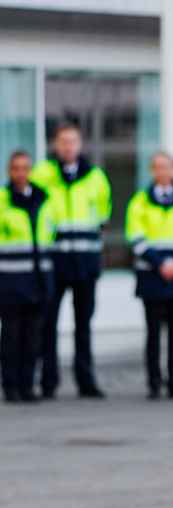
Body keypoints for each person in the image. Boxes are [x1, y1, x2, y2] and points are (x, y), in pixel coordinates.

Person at [30, 123, 111, 399]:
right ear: (55, 144)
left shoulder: (96, 177)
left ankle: (86, 381)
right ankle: (48, 381)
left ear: (80, 144)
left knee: (83, 324)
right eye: (63, 141)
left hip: (85, 262)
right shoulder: (42, 175)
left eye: (72, 141)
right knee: (48, 323)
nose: (68, 146)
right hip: (54, 262)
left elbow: (102, 217)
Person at [125, 151, 173, 401]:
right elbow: (135, 237)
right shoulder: (140, 201)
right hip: (152, 276)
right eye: (158, 167)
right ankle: (153, 382)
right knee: (153, 332)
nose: (163, 172)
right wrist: (161, 264)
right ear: (152, 171)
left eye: (167, 167)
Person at [0, 151, 59, 404]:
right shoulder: (3, 200)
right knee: (11, 336)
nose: (21, 173)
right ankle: (10, 385)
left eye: (25, 168)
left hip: (39, 278)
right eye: (16, 168)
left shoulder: (44, 200)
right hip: (11, 279)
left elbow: (51, 235)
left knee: (34, 336)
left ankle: (28, 385)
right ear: (9, 172)